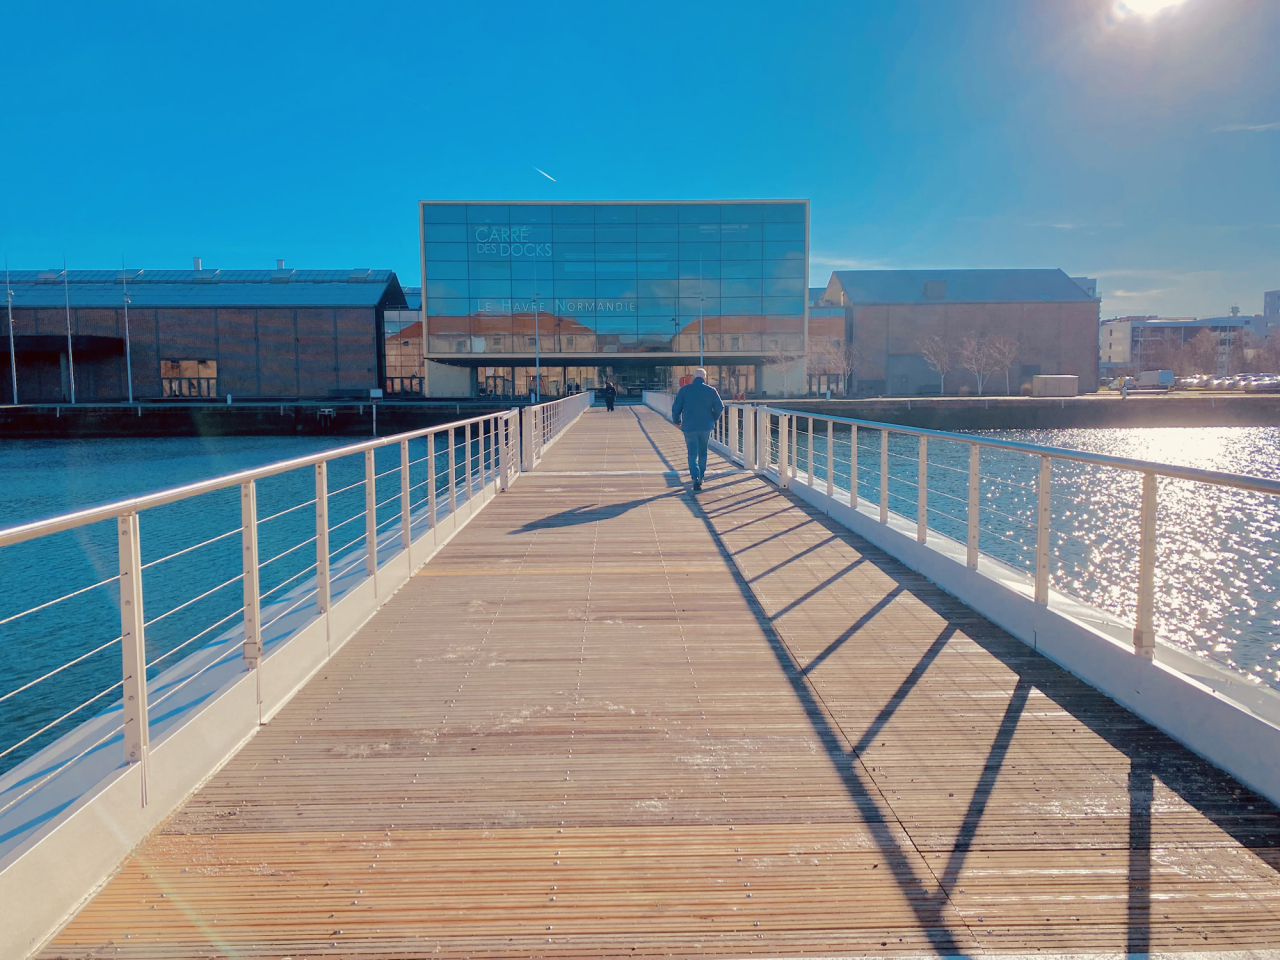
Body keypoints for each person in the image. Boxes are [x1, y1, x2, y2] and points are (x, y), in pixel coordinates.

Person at [671, 368, 724, 491]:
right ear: (704, 378)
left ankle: (695, 477)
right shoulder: (711, 391)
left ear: (693, 377)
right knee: (703, 452)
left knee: (692, 453)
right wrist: (713, 418)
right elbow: (719, 407)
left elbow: (676, 407)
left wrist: (677, 421)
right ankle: (701, 476)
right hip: (705, 426)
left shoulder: (685, 390)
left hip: (689, 426)